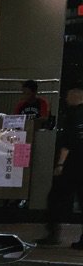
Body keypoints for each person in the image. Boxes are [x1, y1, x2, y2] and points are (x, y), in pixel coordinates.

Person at [38, 88, 83, 248]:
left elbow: (68, 142)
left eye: (67, 95)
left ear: (74, 96)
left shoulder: (72, 115)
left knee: (55, 198)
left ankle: (53, 233)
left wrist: (60, 164)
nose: (65, 98)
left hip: (72, 165)